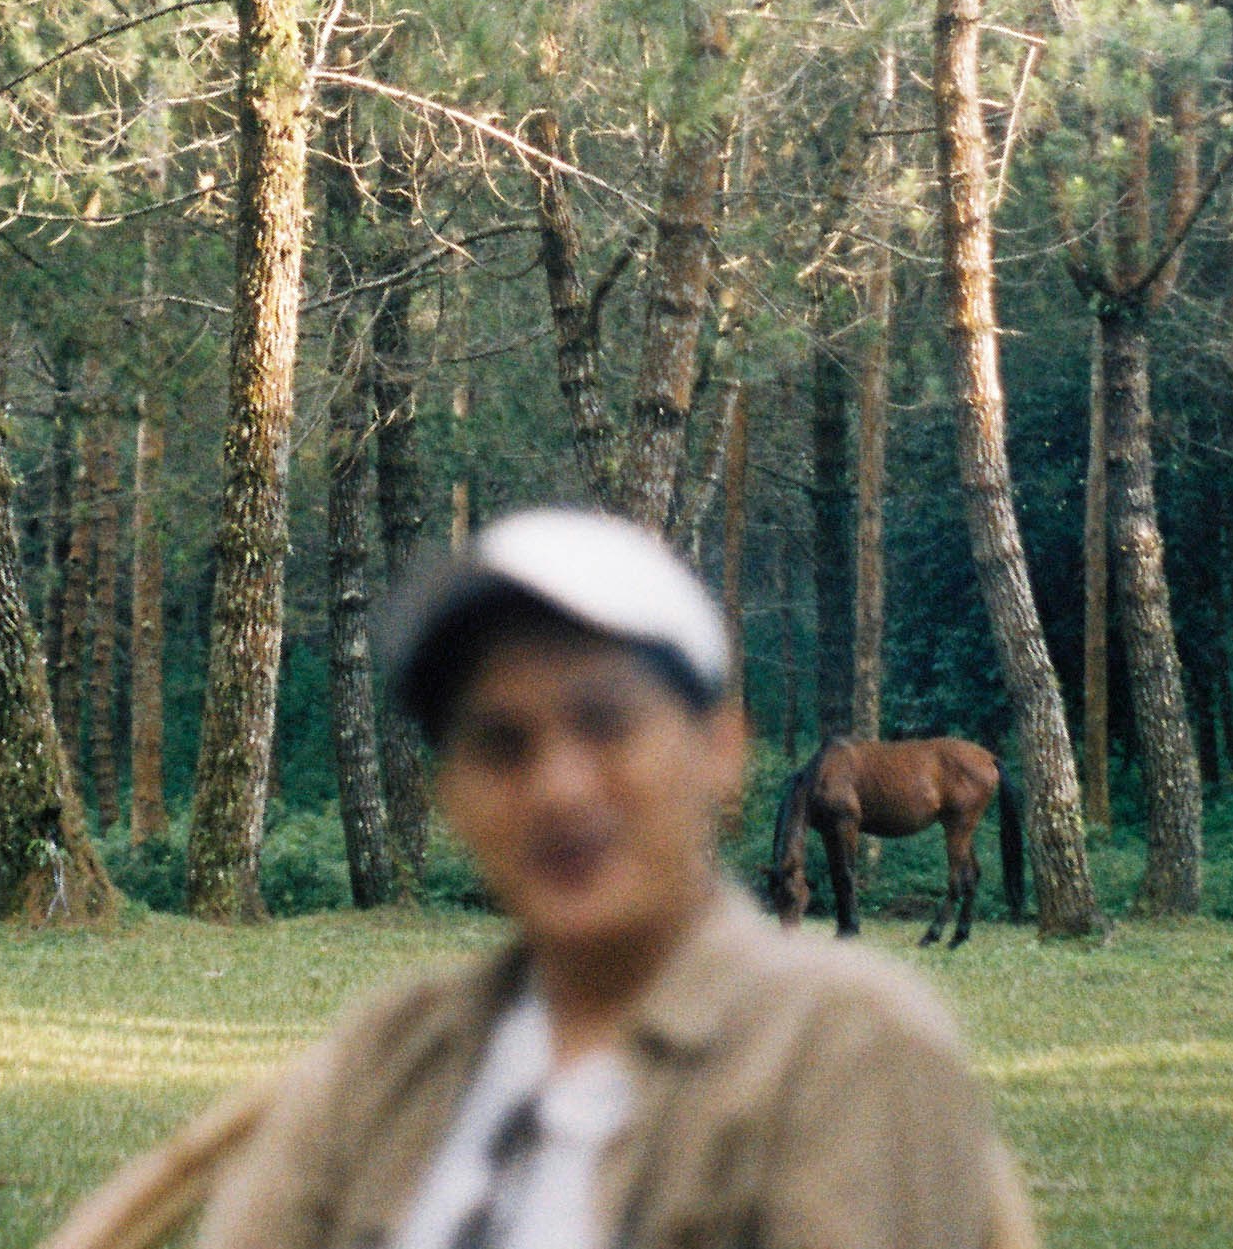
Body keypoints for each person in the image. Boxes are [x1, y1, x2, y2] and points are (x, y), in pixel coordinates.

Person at [191, 507, 1036, 1249]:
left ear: (719, 750)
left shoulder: (841, 1048)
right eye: (498, 742)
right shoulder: (391, 1057)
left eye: (606, 723)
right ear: (451, 793)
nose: (558, 787)